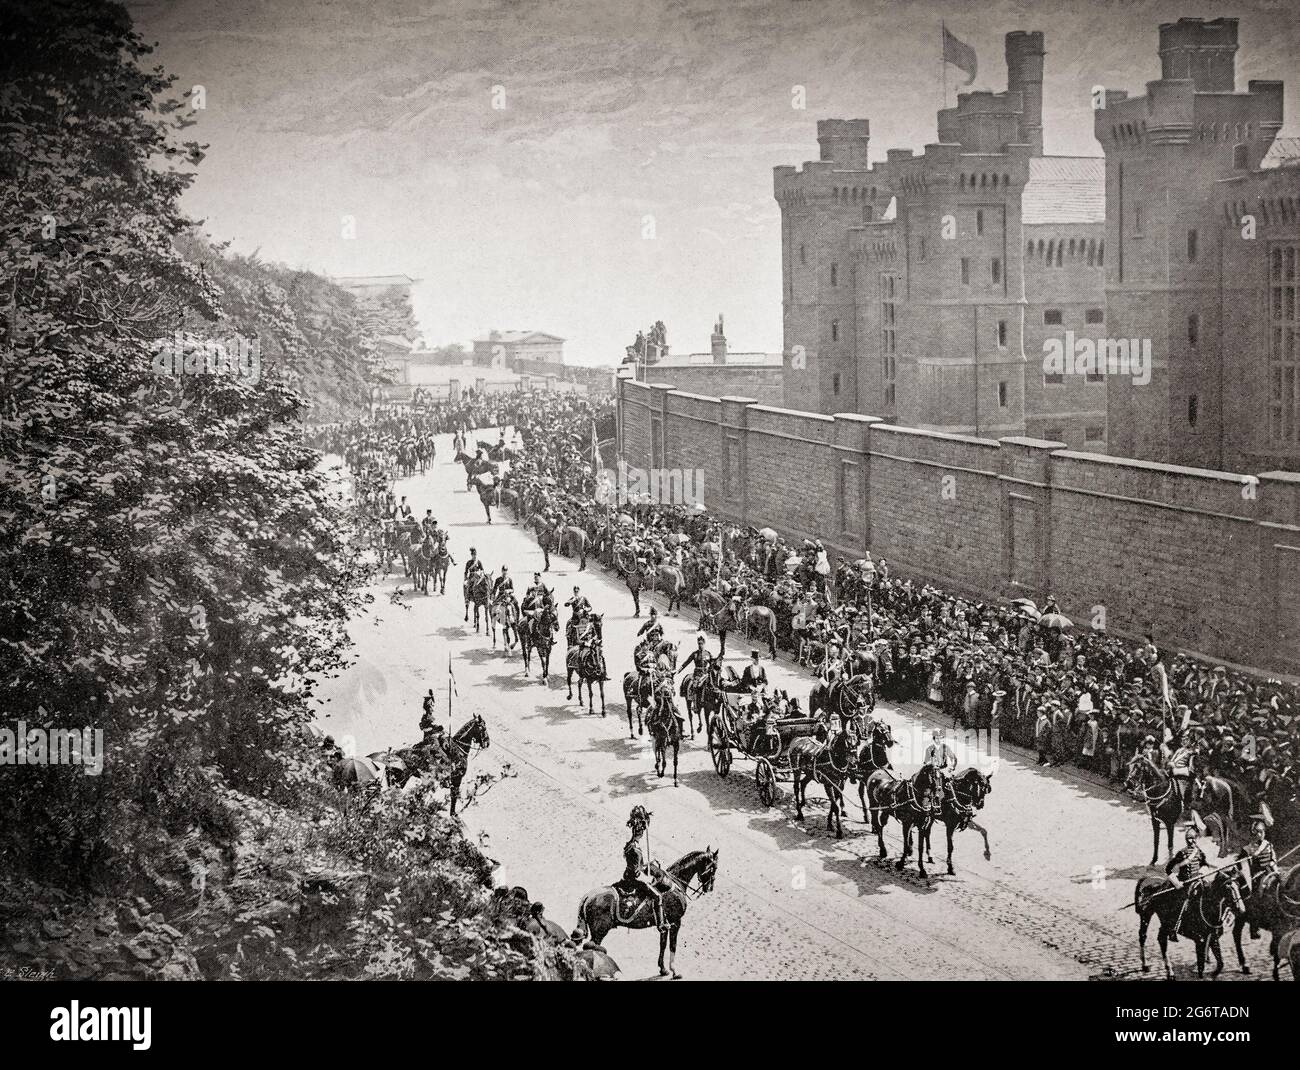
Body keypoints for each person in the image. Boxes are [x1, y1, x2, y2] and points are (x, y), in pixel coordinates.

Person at [615, 806, 667, 932]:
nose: (642, 834)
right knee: (658, 896)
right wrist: (643, 873)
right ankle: (661, 925)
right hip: (633, 879)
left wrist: (650, 864)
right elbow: (636, 868)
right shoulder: (635, 848)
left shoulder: (630, 844)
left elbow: (638, 864)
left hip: (627, 875)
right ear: (639, 833)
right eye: (641, 832)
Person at [1165, 826, 1209, 941]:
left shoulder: (1199, 852)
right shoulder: (1182, 853)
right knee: (1182, 904)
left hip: (1198, 882)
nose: (1193, 840)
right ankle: (1173, 929)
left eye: (1195, 838)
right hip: (1185, 885)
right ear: (1186, 839)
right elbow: (1168, 869)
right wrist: (1176, 882)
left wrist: (1202, 872)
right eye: (1190, 838)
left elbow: (1205, 864)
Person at [1238, 814, 1278, 938]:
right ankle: (1254, 927)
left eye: (1263, 831)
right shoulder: (1248, 848)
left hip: (1270, 872)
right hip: (1257, 876)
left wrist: (1275, 869)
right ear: (1254, 833)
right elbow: (1242, 865)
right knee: (1257, 898)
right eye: (1259, 832)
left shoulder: (1269, 845)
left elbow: (1273, 860)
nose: (1261, 834)